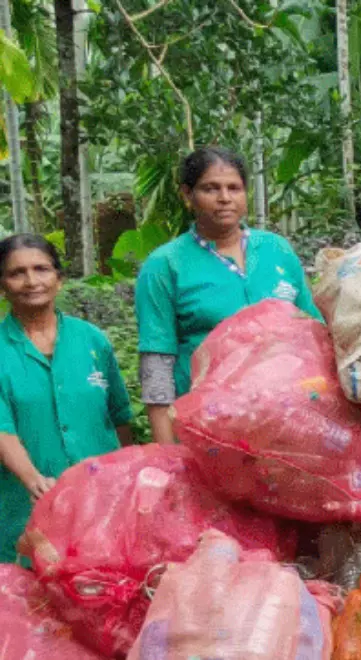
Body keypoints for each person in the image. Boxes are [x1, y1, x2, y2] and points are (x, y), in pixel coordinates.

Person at [135, 146, 321, 443]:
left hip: (287, 423)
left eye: (234, 188)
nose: (224, 198)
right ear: (187, 195)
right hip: (209, 430)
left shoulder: (276, 250)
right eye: (211, 188)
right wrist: (167, 452)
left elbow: (314, 333)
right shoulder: (165, 265)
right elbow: (157, 364)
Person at [0, 235, 134, 563]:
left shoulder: (92, 340)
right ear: (2, 285)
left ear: (59, 280)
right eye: (17, 273)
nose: (31, 281)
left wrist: (128, 481)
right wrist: (35, 482)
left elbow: (119, 418)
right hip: (26, 513)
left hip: (102, 505)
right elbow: (3, 431)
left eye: (41, 269)